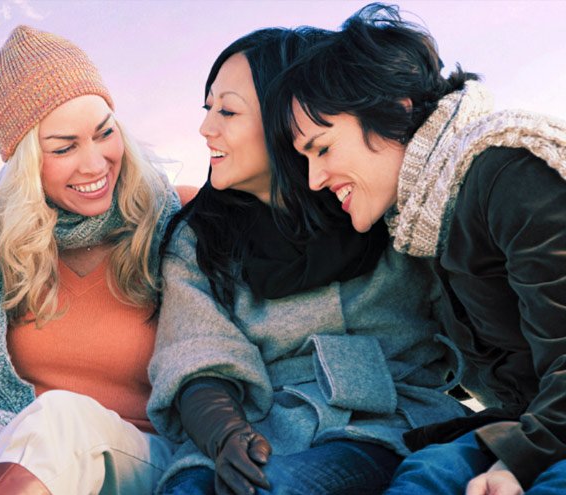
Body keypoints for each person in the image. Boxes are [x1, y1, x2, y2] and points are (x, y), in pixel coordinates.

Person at [147, 25, 469, 495]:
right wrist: (223, 433)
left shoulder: (374, 197)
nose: (205, 128)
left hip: (382, 422)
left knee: (283, 488)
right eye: (208, 107)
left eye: (228, 110)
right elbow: (194, 351)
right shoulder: (201, 237)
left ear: (286, 117)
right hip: (251, 428)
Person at [0, 26, 191, 495]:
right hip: (17, 454)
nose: (95, 163)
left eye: (105, 133)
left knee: (58, 416)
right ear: (23, 161)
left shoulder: (177, 217)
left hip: (142, 459)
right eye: (64, 147)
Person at [275, 3, 566, 494]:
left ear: (396, 109)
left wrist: (518, 462)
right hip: (538, 422)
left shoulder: (510, 170)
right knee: (424, 475)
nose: (315, 179)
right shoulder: (425, 218)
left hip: (549, 429)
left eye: (322, 148)